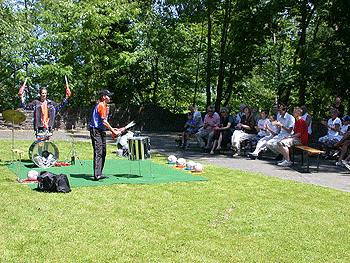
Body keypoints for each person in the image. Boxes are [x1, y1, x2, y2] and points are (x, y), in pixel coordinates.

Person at [90, 90, 120, 181]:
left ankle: (100, 172)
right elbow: (104, 122)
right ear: (104, 97)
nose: (110, 98)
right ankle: (97, 174)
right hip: (96, 130)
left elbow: (105, 123)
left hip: (101, 130)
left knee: (103, 151)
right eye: (108, 96)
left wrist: (113, 129)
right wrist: (113, 131)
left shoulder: (104, 106)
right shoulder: (101, 106)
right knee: (98, 152)